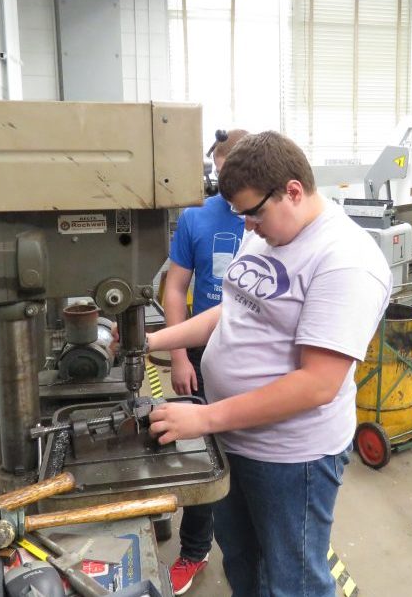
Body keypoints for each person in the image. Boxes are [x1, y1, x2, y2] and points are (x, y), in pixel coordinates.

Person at [145, 131, 391, 597]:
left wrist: (203, 417)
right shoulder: (270, 232)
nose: (249, 226)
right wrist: (154, 339)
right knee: (241, 560)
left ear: (293, 191)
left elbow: (316, 385)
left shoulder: (346, 261)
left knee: (291, 579)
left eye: (254, 213)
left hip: (289, 458)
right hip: (232, 439)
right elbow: (233, 309)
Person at [162, 128, 248, 595]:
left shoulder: (265, 221)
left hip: (252, 356)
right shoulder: (197, 217)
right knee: (200, 454)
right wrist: (178, 355)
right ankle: (194, 550)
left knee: (248, 456)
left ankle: (250, 551)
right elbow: (176, 288)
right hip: (200, 349)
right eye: (218, 171)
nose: (224, 182)